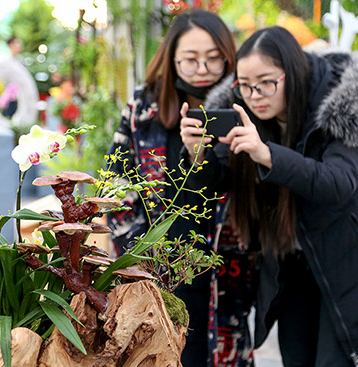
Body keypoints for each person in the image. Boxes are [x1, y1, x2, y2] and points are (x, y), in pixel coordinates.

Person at [181, 25, 358, 366]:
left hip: (351, 262)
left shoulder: (342, 105)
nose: (256, 95)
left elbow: (338, 183)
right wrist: (197, 155)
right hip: (289, 268)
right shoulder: (243, 113)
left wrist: (267, 154)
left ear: (293, 73)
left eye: (267, 83)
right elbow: (213, 191)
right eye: (246, 85)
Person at [106, 10, 255, 367]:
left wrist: (200, 154)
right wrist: (137, 251)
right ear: (171, 59)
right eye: (190, 59)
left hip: (224, 265)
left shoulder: (243, 104)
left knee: (220, 356)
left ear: (228, 57)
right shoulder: (144, 107)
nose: (202, 69)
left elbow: (250, 181)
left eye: (213, 58)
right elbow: (116, 183)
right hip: (156, 268)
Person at [0, 36, 38, 126]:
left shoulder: (18, 62)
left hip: (26, 101)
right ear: (10, 45)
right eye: (16, 43)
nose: (19, 46)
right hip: (13, 104)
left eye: (19, 43)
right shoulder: (4, 62)